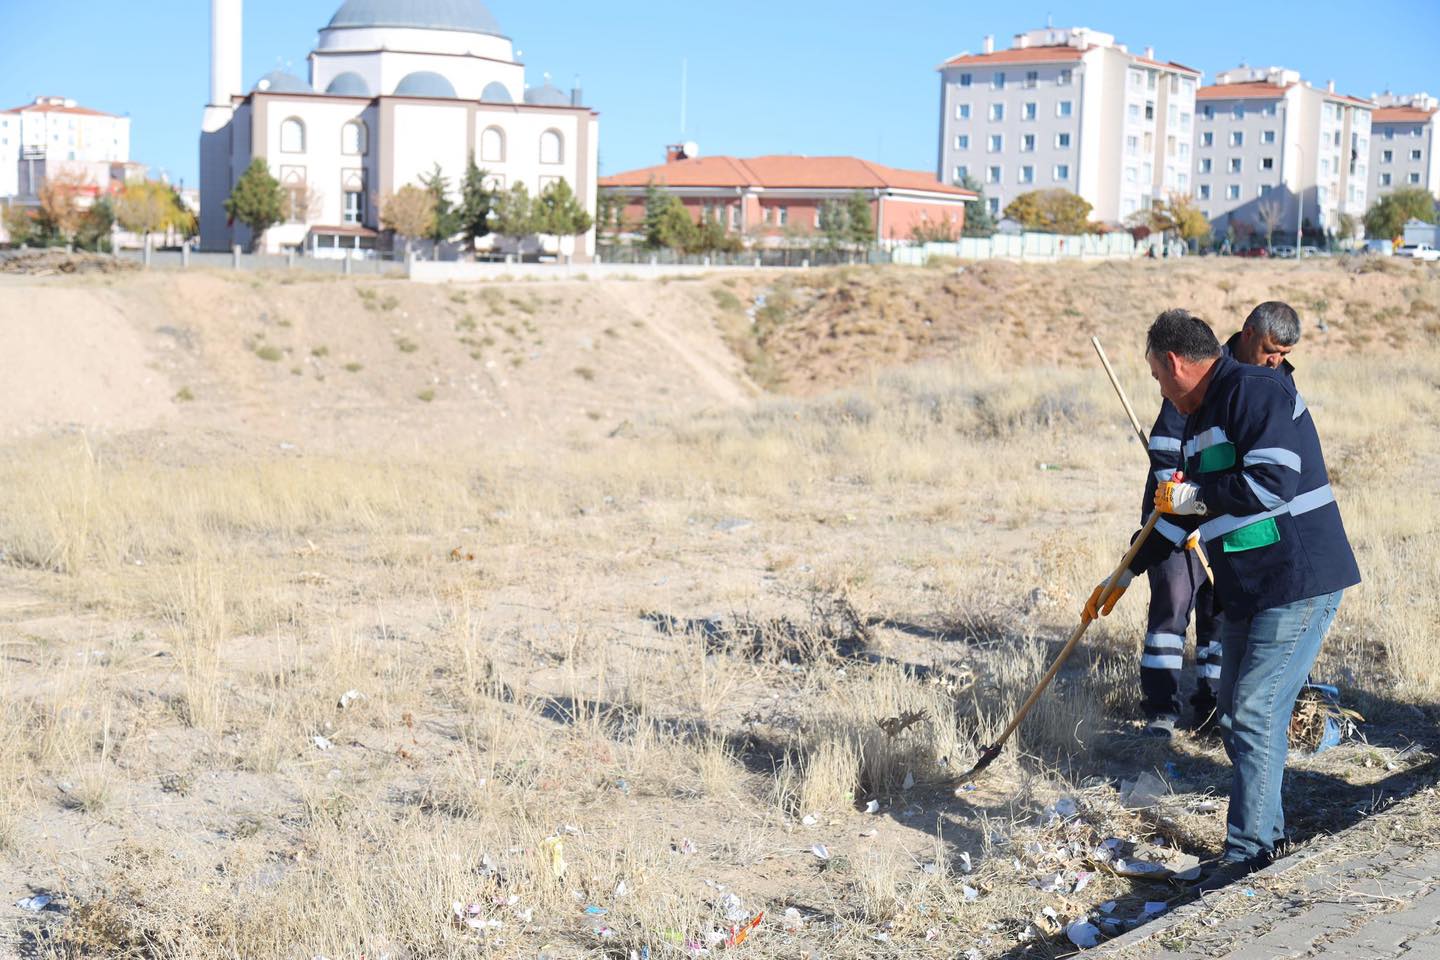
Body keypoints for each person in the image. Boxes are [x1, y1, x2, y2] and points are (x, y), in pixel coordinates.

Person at [1085, 308, 1360, 882]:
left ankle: (1248, 856)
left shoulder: (1253, 390)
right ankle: (1268, 838)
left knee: (1254, 712)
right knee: (1238, 715)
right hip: (1249, 588)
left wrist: (1194, 497)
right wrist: (1125, 572)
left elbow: (1271, 480)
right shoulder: (1195, 418)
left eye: (1158, 378)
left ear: (1175, 363)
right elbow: (1176, 514)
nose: (1159, 389)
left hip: (1295, 579)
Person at [1138, 302, 1302, 739]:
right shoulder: (1201, 373)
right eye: (1271, 350)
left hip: (1229, 525)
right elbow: (1169, 451)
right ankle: (1160, 708)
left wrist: (1200, 502)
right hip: (1178, 517)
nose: (1276, 361)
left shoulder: (1273, 383)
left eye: (1284, 354)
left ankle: (1209, 705)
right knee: (1172, 605)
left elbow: (1273, 478)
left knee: (1219, 615)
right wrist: (1180, 506)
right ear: (1248, 334)